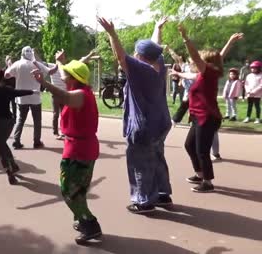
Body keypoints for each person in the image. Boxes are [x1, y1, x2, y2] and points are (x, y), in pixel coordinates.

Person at [99, 16, 173, 213]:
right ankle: (163, 194)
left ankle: (144, 201)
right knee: (157, 158)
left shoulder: (141, 70)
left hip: (144, 127)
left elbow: (121, 57)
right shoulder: (159, 64)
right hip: (161, 123)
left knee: (140, 164)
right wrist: (157, 27)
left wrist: (112, 33)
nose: (134, 54)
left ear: (140, 57)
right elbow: (155, 45)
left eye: (136, 52)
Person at [33, 56, 102, 244]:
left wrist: (43, 82)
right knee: (78, 190)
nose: (63, 76)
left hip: (79, 150)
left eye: (67, 74)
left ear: (74, 77)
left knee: (68, 191)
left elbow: (64, 97)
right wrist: (60, 62)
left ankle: (90, 224)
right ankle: (83, 219)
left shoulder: (80, 95)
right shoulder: (81, 90)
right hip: (81, 147)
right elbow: (64, 79)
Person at [173, 26, 243, 193]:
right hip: (199, 117)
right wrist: (230, 42)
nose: (196, 62)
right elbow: (218, 57)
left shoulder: (208, 71)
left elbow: (196, 56)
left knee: (202, 150)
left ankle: (208, 182)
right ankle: (200, 174)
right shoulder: (206, 73)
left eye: (201, 60)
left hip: (208, 117)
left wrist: (185, 38)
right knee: (189, 145)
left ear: (207, 63)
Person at [0, 67, 37, 185]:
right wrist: (32, 91)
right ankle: (13, 165)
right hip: (8, 122)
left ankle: (9, 171)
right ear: (2, 77)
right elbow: (19, 92)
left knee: (0, 147)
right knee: (2, 143)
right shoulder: (7, 90)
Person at [5, 46, 57, 149]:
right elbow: (51, 71)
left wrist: (10, 67)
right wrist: (59, 62)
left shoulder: (17, 64)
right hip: (35, 97)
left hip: (22, 97)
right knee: (37, 121)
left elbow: (6, 75)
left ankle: (16, 141)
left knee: (20, 120)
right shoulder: (36, 64)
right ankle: (36, 141)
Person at [4, 55, 17, 120]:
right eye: (7, 60)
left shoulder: (14, 69)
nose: (9, 61)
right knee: (6, 104)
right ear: (5, 61)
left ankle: (15, 117)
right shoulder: (3, 70)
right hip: (6, 90)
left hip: (13, 89)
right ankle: (7, 116)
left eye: (10, 59)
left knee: (14, 104)